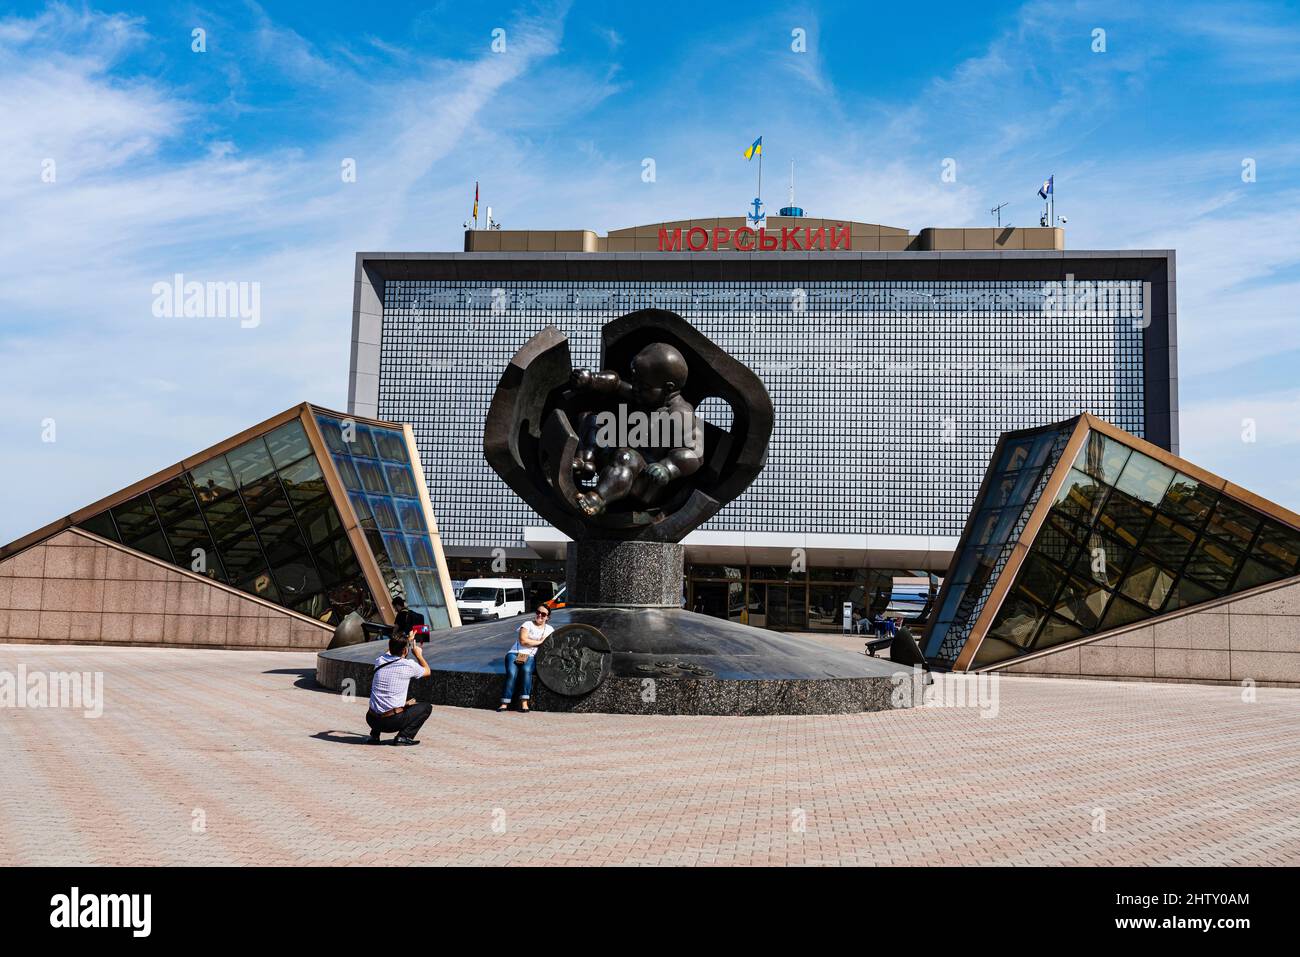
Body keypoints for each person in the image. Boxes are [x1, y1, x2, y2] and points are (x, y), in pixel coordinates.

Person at [366, 632, 432, 746]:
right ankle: (404, 736)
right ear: (405, 651)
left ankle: (374, 736)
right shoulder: (408, 665)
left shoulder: (380, 660)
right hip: (391, 722)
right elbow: (427, 671)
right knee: (426, 707)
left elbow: (392, 649)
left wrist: (406, 641)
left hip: (371, 720)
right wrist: (418, 654)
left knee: (381, 702)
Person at [499, 606, 553, 713]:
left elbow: (549, 645)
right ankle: (504, 703)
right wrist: (540, 642)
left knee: (526, 671)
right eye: (538, 612)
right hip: (515, 654)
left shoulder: (550, 629)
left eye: (543, 614)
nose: (540, 615)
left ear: (548, 617)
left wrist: (531, 641)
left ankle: (524, 702)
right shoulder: (527, 624)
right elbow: (523, 641)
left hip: (531, 656)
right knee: (511, 673)